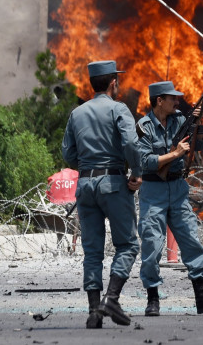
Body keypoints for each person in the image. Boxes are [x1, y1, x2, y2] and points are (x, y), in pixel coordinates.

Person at [62, 60, 143, 329]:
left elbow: (67, 154)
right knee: (128, 244)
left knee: (93, 251)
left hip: (85, 186)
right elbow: (131, 143)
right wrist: (135, 172)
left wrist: (87, 167)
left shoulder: (77, 113)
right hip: (113, 183)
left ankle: (94, 312)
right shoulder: (119, 109)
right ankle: (112, 298)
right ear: (112, 83)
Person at [136, 81, 203, 316]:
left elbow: (197, 147)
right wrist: (174, 154)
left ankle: (202, 297)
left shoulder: (179, 120)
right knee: (152, 246)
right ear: (159, 101)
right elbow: (145, 162)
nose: (177, 102)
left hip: (177, 188)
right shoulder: (144, 127)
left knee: (190, 240)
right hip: (153, 191)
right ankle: (153, 300)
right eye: (172, 99)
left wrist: (196, 125)